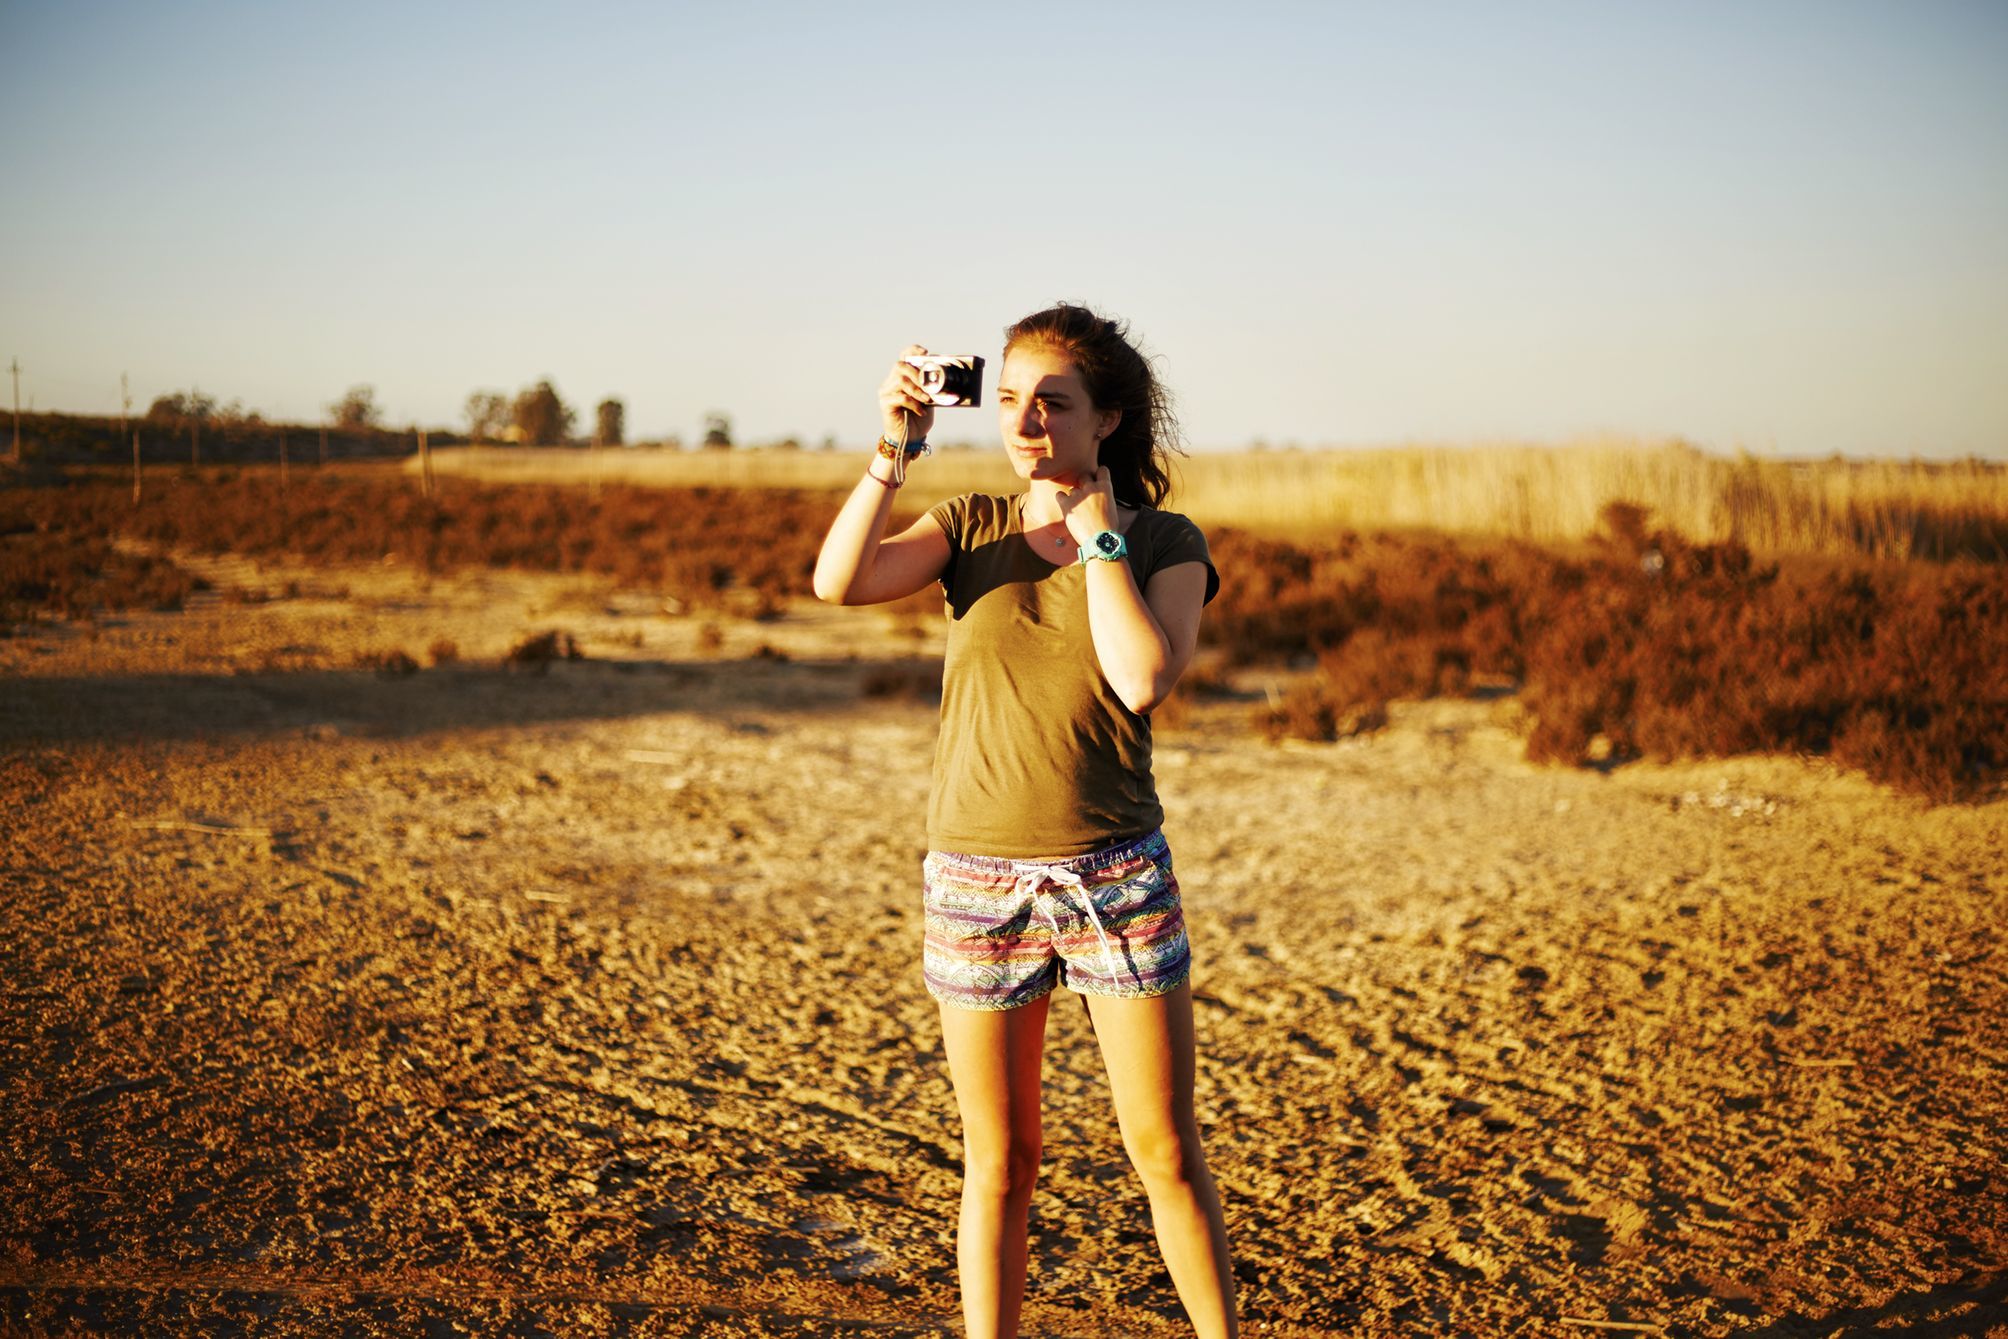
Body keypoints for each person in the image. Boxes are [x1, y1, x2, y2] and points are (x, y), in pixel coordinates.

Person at [813, 302, 1239, 1339]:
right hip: (975, 880)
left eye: (1053, 402)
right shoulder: (969, 529)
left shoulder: (1165, 542)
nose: (1027, 422)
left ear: (1109, 419)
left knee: (1164, 1150)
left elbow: (1141, 678)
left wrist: (1097, 541)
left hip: (1114, 877)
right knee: (999, 1159)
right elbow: (838, 582)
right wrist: (891, 451)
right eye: (1008, 400)